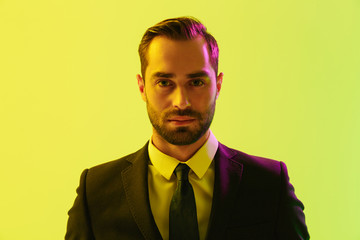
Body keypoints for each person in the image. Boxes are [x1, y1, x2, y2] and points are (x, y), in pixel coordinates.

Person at [65, 16, 309, 240]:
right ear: (142, 88)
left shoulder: (269, 185)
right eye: (164, 82)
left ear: (219, 84)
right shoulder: (95, 191)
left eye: (196, 82)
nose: (181, 102)